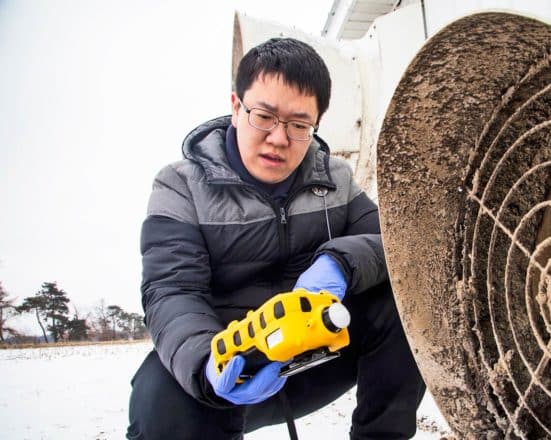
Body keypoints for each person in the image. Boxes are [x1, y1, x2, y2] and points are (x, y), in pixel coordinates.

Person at [127, 37, 426, 439]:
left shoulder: (334, 179)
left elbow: (396, 243)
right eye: (264, 116)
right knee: (159, 399)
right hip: (240, 367)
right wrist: (206, 367)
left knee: (402, 299)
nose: (279, 138)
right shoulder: (180, 186)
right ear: (236, 107)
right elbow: (172, 291)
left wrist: (339, 261)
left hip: (320, 348)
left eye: (299, 125)